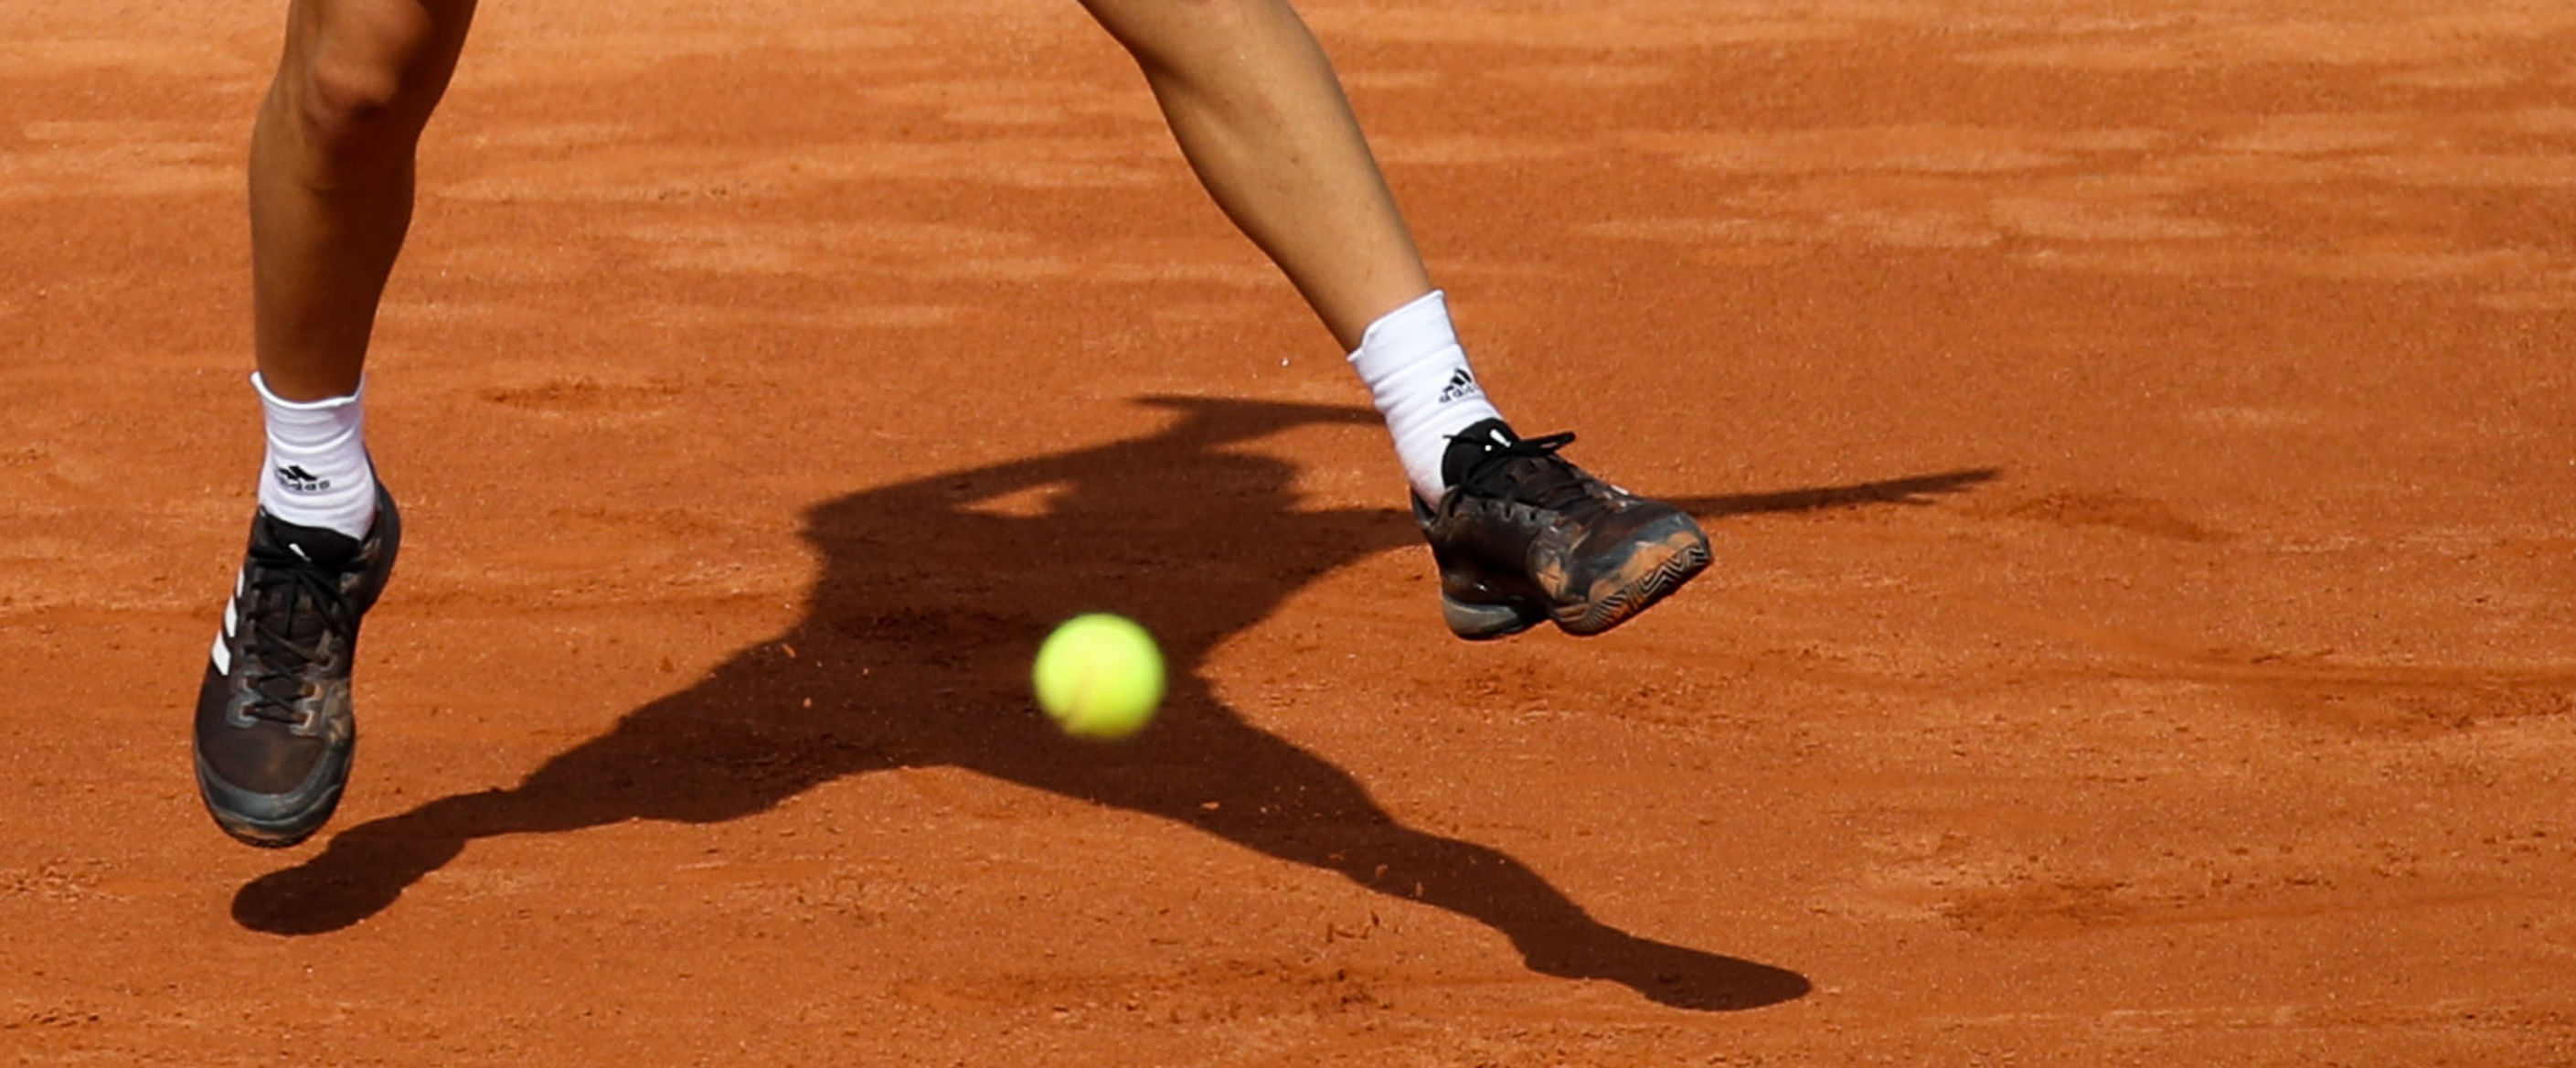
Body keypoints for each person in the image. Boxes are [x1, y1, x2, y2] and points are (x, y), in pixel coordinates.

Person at [192, 0, 1715, 849]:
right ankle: (315, 507)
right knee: (354, 81)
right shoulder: (867, 533)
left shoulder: (1238, 529)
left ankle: (1457, 449)